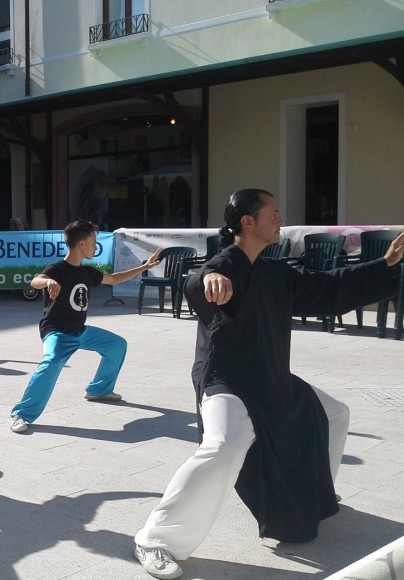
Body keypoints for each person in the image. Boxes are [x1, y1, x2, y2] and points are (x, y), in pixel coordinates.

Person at [133, 189, 404, 580]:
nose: (280, 219)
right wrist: (207, 279)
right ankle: (155, 539)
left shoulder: (275, 271)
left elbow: (327, 288)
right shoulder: (224, 264)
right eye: (273, 213)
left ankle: (312, 497)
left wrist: (383, 264)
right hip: (227, 379)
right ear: (248, 221)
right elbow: (198, 280)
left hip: (269, 375)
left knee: (335, 413)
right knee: (225, 443)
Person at [10, 219, 161, 433]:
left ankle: (98, 390)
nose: (95, 246)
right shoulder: (57, 269)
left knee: (117, 345)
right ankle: (21, 414)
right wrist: (48, 282)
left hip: (80, 331)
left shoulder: (87, 272)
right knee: (51, 362)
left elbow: (115, 279)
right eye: (92, 242)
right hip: (56, 332)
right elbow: (36, 281)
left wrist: (145, 267)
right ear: (81, 244)